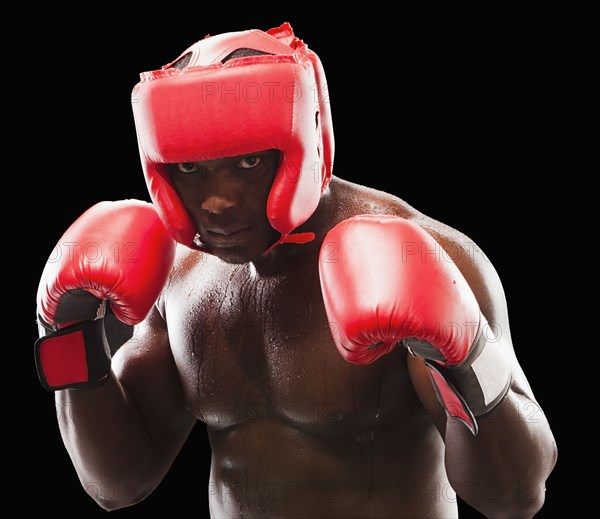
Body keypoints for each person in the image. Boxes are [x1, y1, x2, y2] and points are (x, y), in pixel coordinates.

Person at [34, 22, 557, 518]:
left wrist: (462, 358)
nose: (216, 203)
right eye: (190, 168)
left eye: (249, 162)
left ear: (304, 145)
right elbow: (117, 485)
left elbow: (513, 497)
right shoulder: (183, 277)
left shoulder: (421, 256)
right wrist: (70, 334)